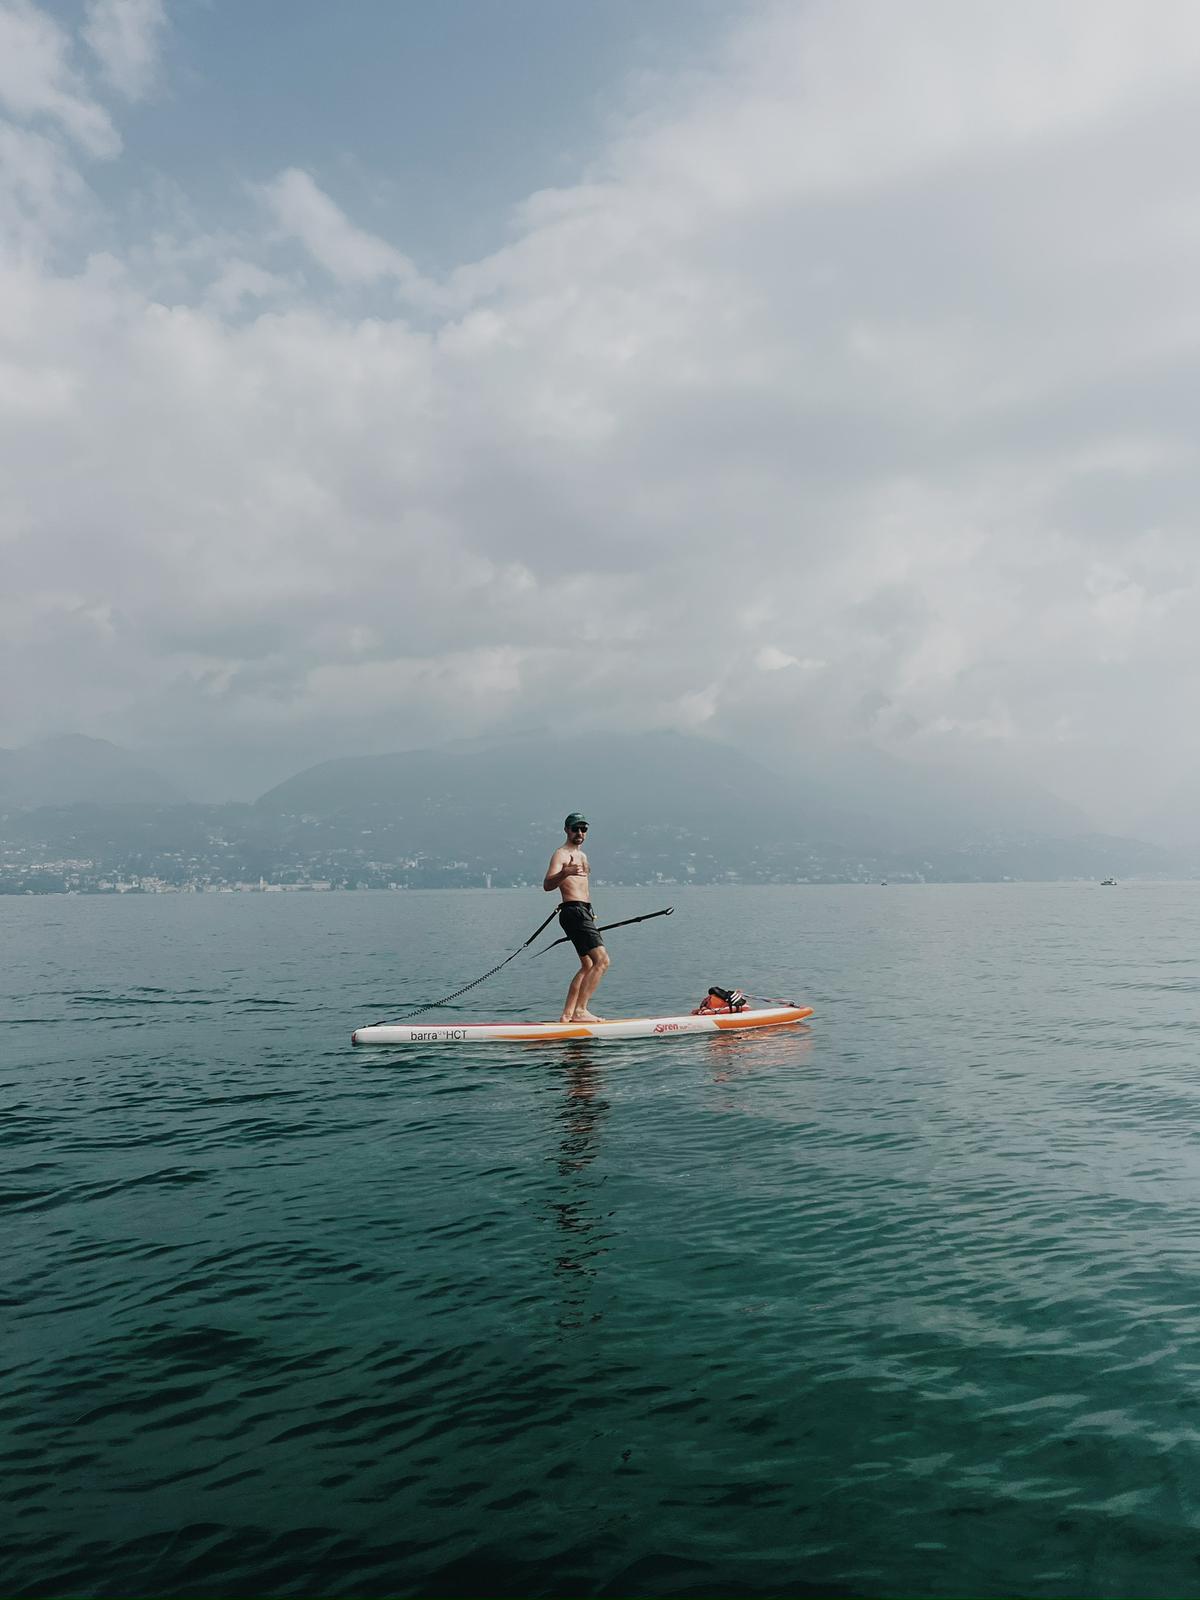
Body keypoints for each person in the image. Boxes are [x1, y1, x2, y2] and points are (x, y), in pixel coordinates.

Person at [544, 812, 610, 1023]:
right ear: (567, 830)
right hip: (573, 912)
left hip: (582, 912)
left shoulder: (583, 856)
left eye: (584, 829)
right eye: (575, 828)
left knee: (588, 965)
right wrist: (565, 872)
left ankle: (567, 1015)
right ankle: (580, 1011)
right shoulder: (561, 854)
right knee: (602, 961)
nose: (580, 832)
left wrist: (589, 914)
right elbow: (547, 885)